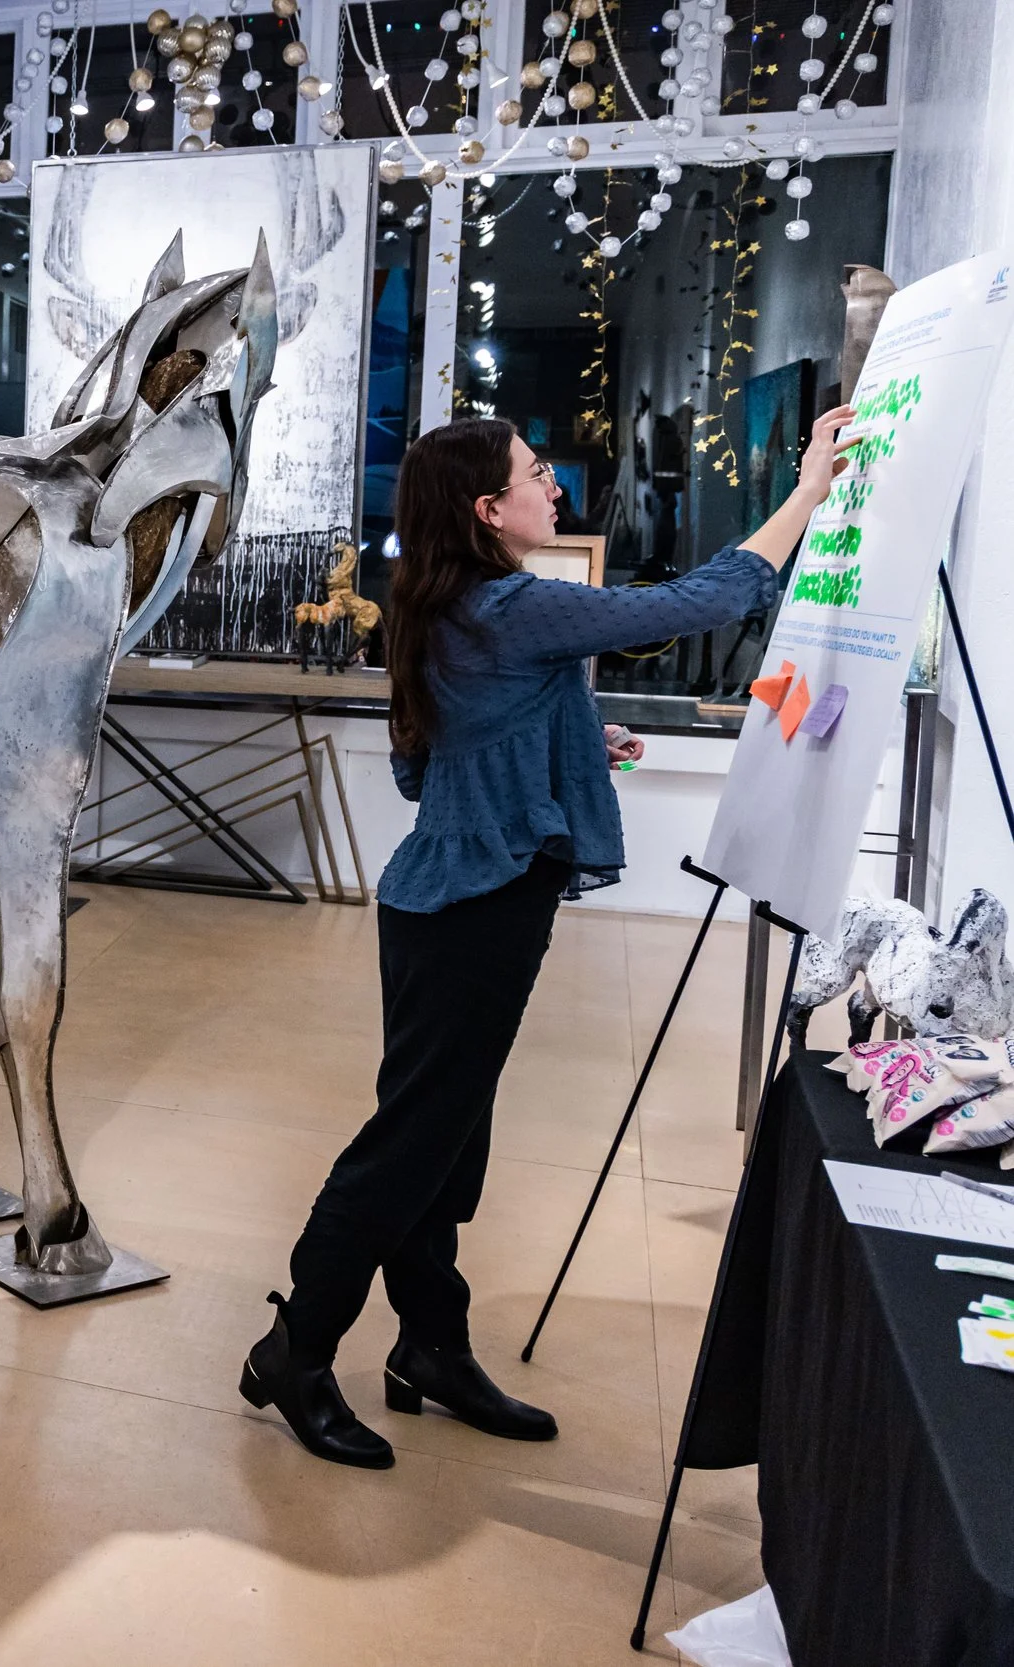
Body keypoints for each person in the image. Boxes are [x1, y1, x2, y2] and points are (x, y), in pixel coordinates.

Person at [242, 404, 858, 1469]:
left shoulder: (444, 607)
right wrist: (807, 493)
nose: (555, 488)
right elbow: (694, 601)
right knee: (411, 1144)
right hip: (470, 907)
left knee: (449, 1137)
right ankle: (294, 1346)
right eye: (536, 474)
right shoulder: (508, 605)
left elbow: (426, 766)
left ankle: (429, 1346)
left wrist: (568, 737)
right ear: (489, 509)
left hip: (449, 899)